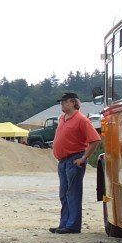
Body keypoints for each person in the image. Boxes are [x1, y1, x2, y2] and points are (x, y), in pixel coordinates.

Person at [49, 91, 101, 234]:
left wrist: (83, 158)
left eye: (65, 101)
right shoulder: (62, 118)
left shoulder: (82, 120)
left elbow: (95, 139)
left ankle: (72, 225)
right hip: (63, 161)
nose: (62, 104)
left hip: (74, 160)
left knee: (73, 193)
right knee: (64, 193)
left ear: (73, 102)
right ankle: (64, 223)